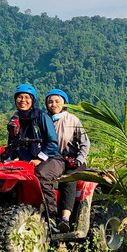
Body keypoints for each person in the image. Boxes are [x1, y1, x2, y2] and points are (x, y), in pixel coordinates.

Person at [5, 84, 64, 228]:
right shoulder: (15, 120)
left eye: (26, 97)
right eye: (19, 97)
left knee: (41, 174)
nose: (23, 100)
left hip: (52, 159)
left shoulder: (41, 116)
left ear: (32, 100)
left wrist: (40, 158)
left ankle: (52, 218)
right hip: (27, 161)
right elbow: (12, 145)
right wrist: (7, 160)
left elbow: (52, 143)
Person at [45, 89, 91, 233]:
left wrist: (80, 158)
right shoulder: (44, 120)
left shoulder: (72, 119)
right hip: (53, 161)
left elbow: (85, 143)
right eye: (50, 102)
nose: (53, 104)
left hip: (72, 161)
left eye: (57, 101)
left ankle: (65, 218)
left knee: (69, 180)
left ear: (64, 103)